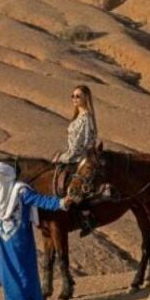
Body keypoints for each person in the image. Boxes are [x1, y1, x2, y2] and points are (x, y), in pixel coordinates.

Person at [0, 161, 71, 300]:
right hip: (4, 239)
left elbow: (41, 201)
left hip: (20, 239)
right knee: (7, 273)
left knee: (20, 273)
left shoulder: (20, 191)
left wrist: (60, 203)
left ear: (3, 178)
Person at [53, 84, 99, 236]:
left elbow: (80, 145)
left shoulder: (87, 118)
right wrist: (62, 154)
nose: (74, 99)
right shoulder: (78, 116)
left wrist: (63, 157)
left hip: (80, 158)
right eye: (73, 96)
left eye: (78, 96)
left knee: (73, 184)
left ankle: (84, 216)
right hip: (72, 155)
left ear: (86, 97)